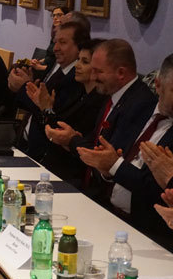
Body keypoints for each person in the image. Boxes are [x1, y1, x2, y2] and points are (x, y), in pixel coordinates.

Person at [76, 54, 173, 251]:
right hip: (108, 212)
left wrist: (114, 165)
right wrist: (106, 168)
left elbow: (155, 188)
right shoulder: (138, 109)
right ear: (158, 85)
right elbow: (114, 155)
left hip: (149, 234)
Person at [46, 39, 157, 201]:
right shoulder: (113, 94)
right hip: (89, 186)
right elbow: (94, 141)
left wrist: (72, 140)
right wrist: (73, 139)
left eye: (98, 72)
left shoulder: (139, 103)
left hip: (106, 196)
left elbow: (107, 154)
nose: (93, 76)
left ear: (121, 73)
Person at [29, 39, 108, 184]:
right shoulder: (79, 92)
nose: (77, 65)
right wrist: (45, 108)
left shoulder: (100, 103)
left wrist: (47, 109)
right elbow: (56, 127)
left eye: (85, 62)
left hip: (72, 174)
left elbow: (63, 134)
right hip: (52, 162)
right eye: (78, 60)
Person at [10, 21, 88, 160]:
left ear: (79, 47)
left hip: (47, 155)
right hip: (26, 145)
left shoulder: (76, 79)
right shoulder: (58, 68)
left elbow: (51, 117)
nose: (55, 48)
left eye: (62, 42)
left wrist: (24, 87)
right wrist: (28, 85)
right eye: (55, 42)